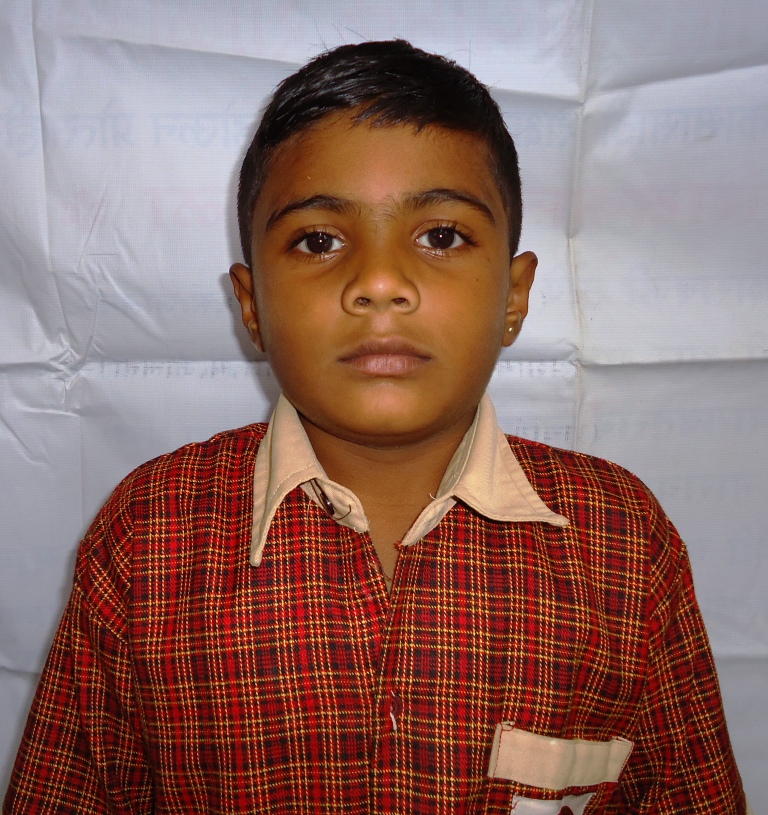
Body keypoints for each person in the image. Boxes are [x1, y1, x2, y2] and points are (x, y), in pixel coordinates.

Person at [3, 40, 747, 815]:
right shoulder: (148, 536)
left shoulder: (624, 543)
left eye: (441, 236)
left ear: (515, 296)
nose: (381, 283)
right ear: (251, 306)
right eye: (319, 240)